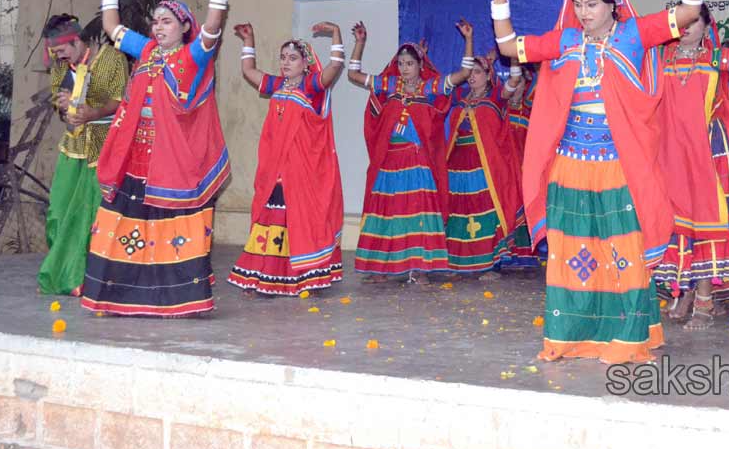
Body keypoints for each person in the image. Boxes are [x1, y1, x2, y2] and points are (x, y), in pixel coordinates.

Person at [490, 0, 706, 364]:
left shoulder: (632, 35)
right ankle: (571, 335)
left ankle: (628, 337)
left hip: (617, 163)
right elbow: (509, 47)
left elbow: (686, 14)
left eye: (591, 4)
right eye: (579, 4)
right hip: (571, 164)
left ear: (611, 5)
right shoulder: (566, 41)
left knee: (622, 249)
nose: (583, 12)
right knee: (572, 252)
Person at [81, 0, 237, 317]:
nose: (158, 27)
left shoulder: (193, 56)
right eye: (155, 22)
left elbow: (213, 26)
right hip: (135, 158)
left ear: (184, 27)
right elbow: (111, 27)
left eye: (166, 21)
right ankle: (119, 297)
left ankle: (180, 301)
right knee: (125, 224)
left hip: (173, 163)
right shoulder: (147, 51)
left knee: (170, 228)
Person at [653, 0, 729, 329]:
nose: (687, 27)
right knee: (676, 222)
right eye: (681, 21)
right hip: (671, 153)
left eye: (694, 21)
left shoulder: (714, 58)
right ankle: (684, 290)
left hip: (710, 151)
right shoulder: (659, 58)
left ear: (707, 26)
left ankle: (704, 301)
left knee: (707, 220)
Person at [346, 22, 471, 284]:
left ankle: (419, 268)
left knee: (417, 215)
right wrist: (360, 42)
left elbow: (463, 74)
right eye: (401, 63)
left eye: (409, 63)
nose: (404, 68)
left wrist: (468, 39)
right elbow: (354, 74)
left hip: (417, 163)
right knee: (387, 213)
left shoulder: (430, 88)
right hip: (390, 162)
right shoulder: (390, 85)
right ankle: (381, 266)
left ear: (420, 66)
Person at [228, 22, 345, 296]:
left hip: (300, 170)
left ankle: (304, 276)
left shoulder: (312, 86)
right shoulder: (277, 85)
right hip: (275, 168)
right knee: (271, 220)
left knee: (299, 220)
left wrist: (336, 34)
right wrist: (249, 39)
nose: (285, 63)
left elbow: (334, 67)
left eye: (292, 58)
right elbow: (248, 71)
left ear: (305, 63)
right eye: (282, 58)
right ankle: (264, 275)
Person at [37, 14, 128, 296]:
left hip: (103, 146)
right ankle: (60, 274)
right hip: (73, 147)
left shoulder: (112, 59)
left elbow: (122, 101)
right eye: (55, 54)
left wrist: (92, 113)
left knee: (89, 215)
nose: (59, 58)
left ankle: (83, 279)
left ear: (76, 41)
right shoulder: (60, 68)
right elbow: (64, 116)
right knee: (59, 211)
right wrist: (66, 111)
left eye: (62, 51)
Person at [445, 19, 535, 277]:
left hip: (485, 170)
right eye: (469, 73)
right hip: (459, 167)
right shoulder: (459, 100)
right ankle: (458, 262)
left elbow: (515, 79)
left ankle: (489, 264)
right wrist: (469, 41)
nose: (472, 77)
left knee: (486, 213)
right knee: (460, 213)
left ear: (488, 76)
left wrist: (514, 55)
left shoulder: (496, 97)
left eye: (477, 73)